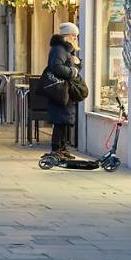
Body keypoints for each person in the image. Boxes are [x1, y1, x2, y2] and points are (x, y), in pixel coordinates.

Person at [42, 22, 84, 159]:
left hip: (65, 90)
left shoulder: (66, 49)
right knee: (60, 120)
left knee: (65, 120)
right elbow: (56, 67)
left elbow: (72, 67)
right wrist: (73, 71)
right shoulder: (59, 49)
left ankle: (62, 148)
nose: (76, 39)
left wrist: (77, 64)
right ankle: (56, 149)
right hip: (59, 90)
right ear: (68, 36)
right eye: (74, 36)